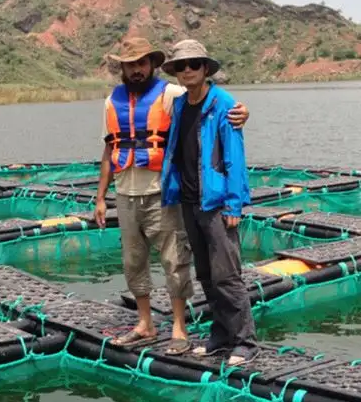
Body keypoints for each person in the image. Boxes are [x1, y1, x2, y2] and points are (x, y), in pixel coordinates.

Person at [94, 37, 249, 354]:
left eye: (142, 63)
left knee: (186, 263)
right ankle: (148, 324)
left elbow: (225, 123)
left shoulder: (174, 94)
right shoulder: (115, 102)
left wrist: (243, 112)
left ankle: (200, 332)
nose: (136, 70)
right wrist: (100, 197)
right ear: (121, 68)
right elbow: (109, 148)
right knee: (139, 262)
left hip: (168, 194)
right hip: (139, 192)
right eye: (130, 64)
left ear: (152, 65)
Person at [160, 40, 259, 367]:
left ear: (205, 69)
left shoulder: (223, 104)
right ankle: (220, 335)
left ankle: (245, 340)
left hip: (217, 203)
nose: (187, 70)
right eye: (181, 66)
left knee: (227, 275)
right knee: (205, 273)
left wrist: (234, 204)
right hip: (190, 200)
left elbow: (234, 157)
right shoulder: (179, 104)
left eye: (193, 64)